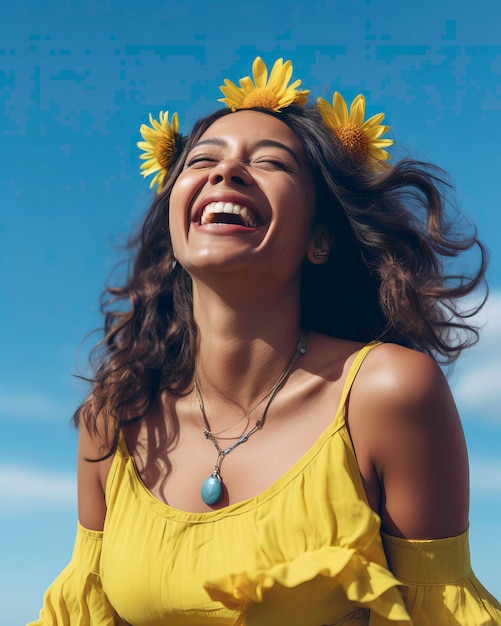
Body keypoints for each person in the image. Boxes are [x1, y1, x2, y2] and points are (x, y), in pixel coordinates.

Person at [29, 57, 501, 625]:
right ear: (179, 220)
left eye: (269, 162)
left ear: (318, 239)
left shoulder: (387, 394)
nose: (226, 173)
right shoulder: (116, 418)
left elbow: (439, 611)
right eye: (203, 160)